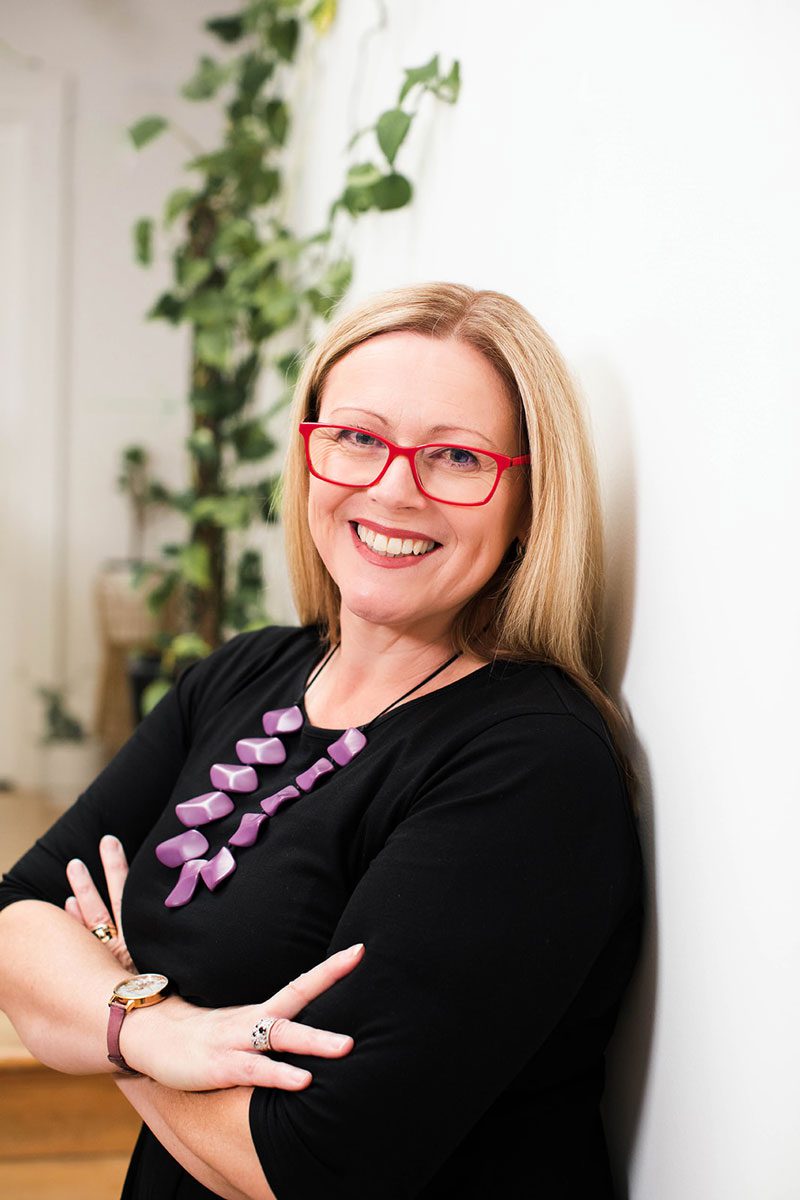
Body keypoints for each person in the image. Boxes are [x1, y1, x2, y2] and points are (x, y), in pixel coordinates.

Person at [0, 282, 643, 1199]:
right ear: (309, 457)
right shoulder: (248, 671)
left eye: (456, 456)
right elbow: (15, 911)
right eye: (356, 437)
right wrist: (151, 1028)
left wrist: (104, 999)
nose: (392, 487)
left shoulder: (529, 765)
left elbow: (305, 1161)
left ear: (528, 499)